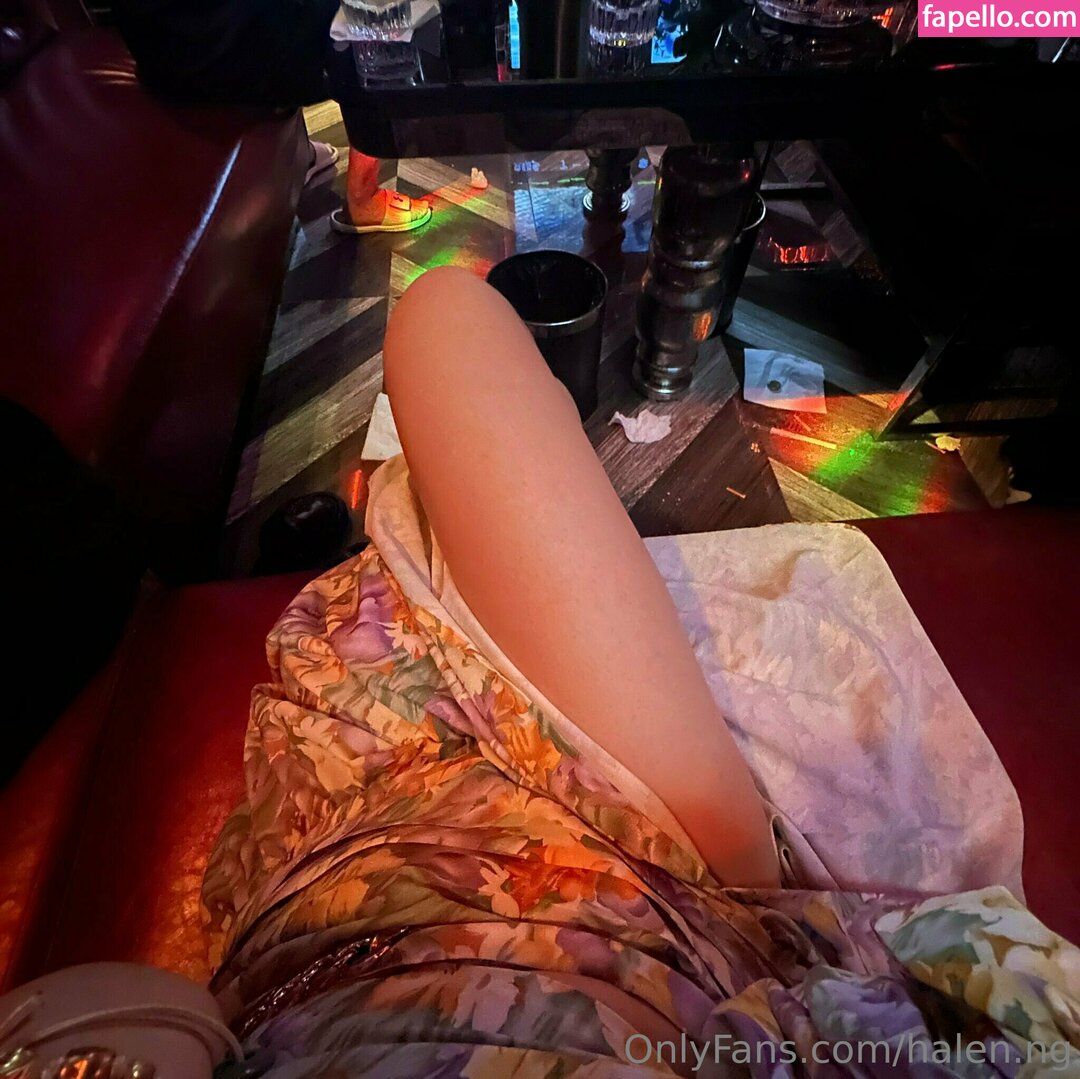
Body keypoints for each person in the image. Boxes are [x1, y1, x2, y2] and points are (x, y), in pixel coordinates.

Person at [193, 267, 1079, 1074]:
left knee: (445, 318)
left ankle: (519, 435)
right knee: (445, 315)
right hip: (669, 892)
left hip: (345, 903)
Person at [113, 0, 430, 232]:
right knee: (384, 21)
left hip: (162, 39)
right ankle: (364, 199)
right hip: (204, 47)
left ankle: (299, 155)